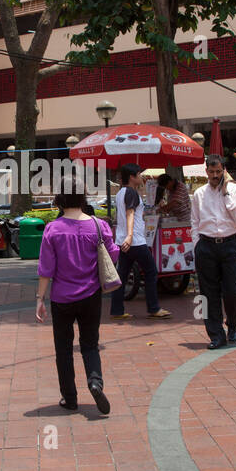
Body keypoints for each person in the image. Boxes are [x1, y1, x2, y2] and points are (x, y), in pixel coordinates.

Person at [36, 174, 120, 414]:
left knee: (63, 349)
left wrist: (39, 299)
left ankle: (69, 398)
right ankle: (95, 381)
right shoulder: (98, 225)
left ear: (60, 198)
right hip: (91, 296)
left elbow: (46, 269)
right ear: (83, 197)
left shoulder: (53, 229)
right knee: (90, 344)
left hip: (62, 298)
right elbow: (112, 254)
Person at [191, 154, 236, 349]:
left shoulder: (234, 190)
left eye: (218, 172)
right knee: (208, 293)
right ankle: (216, 335)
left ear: (224, 171)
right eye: (211, 172)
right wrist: (196, 244)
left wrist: (225, 194)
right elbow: (195, 221)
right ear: (206, 172)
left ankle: (233, 323)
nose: (215, 175)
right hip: (206, 245)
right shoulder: (199, 194)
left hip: (229, 244)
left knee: (233, 291)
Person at [109, 163, 171, 320]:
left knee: (121, 276)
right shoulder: (131, 193)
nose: (141, 177)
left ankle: (117, 310)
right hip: (134, 240)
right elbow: (130, 214)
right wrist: (130, 236)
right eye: (139, 174)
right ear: (132, 177)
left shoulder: (121, 192)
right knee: (151, 271)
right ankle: (153, 308)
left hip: (123, 240)